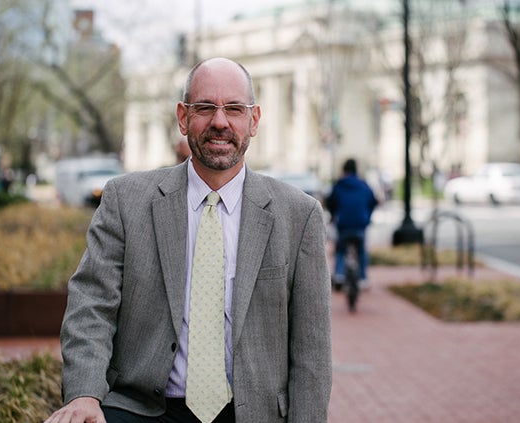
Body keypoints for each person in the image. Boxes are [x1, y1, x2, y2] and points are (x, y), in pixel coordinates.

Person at [45, 57, 332, 423]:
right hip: (143, 408)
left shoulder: (299, 215)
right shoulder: (125, 201)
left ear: (254, 120)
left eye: (234, 109)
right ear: (183, 117)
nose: (220, 121)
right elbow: (92, 307)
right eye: (205, 108)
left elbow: (312, 350)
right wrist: (85, 395)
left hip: (253, 413)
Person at [326, 158, 378, 290]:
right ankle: (363, 278)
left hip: (343, 224)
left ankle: (339, 275)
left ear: (344, 170)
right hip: (360, 223)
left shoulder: (339, 185)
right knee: (361, 251)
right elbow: (373, 201)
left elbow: (330, 202)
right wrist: (368, 216)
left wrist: (333, 216)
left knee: (340, 250)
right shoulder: (364, 185)